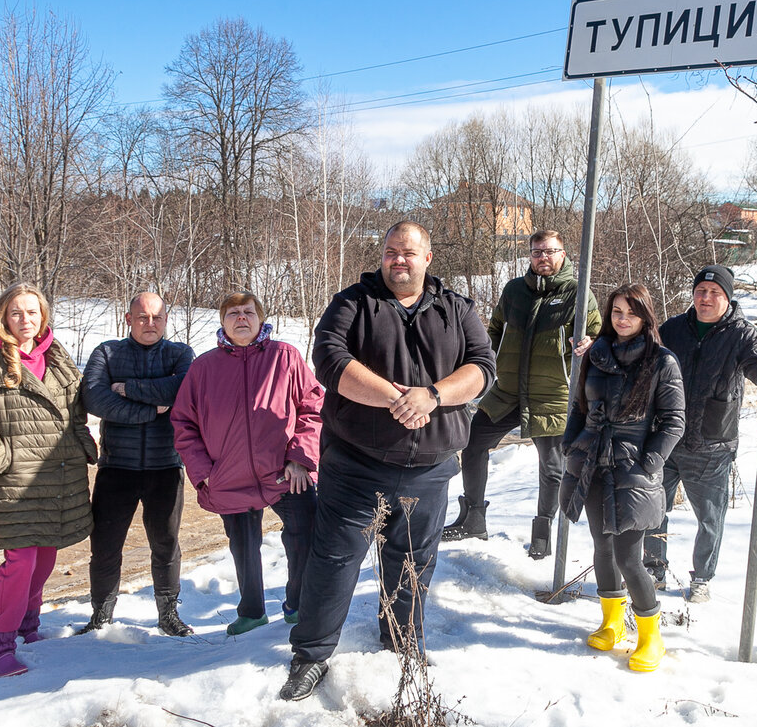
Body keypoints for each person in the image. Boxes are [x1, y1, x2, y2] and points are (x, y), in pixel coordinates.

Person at [279, 221, 496, 702]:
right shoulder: (353, 303)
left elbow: (483, 367)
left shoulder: (457, 308)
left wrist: (433, 396)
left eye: (409, 252)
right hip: (358, 464)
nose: (399, 259)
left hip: (431, 467)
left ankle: (402, 642)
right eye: (391, 251)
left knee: (413, 563)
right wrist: (395, 398)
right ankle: (311, 655)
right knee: (336, 561)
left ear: (428, 258)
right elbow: (330, 361)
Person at [0, 282, 96, 677]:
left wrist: (82, 441)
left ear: (42, 316)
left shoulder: (59, 356)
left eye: (32, 312)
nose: (25, 320)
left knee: (45, 557)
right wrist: (1, 460)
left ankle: (27, 627)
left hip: (59, 475)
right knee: (20, 561)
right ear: (3, 316)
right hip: (15, 481)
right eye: (17, 312)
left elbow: (76, 408)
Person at [172, 291, 324, 637]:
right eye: (233, 313)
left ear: (261, 318)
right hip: (229, 475)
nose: (242, 318)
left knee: (305, 533)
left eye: (249, 312)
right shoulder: (203, 368)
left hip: (286, 471)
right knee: (243, 544)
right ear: (223, 321)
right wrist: (203, 473)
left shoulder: (284, 357)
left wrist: (300, 458)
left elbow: (313, 408)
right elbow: (183, 424)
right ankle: (252, 611)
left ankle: (298, 603)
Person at [443, 229, 600, 559]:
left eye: (549, 251)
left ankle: (542, 532)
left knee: (552, 466)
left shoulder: (578, 293)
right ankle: (473, 518)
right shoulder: (515, 290)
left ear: (563, 253)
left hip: (551, 395)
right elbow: (495, 328)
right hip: (508, 391)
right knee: (473, 444)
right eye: (536, 252)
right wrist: (485, 357)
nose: (542, 258)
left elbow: (598, 332)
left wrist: (591, 343)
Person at [643, 264, 757, 603]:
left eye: (714, 293)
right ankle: (653, 569)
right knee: (652, 510)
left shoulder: (742, 334)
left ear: (727, 297)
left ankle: (702, 578)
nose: (706, 298)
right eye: (701, 292)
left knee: (709, 517)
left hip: (712, 444)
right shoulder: (674, 328)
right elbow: (643, 360)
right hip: (665, 437)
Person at [561, 283, 684, 672]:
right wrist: (571, 442)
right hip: (592, 460)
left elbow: (674, 421)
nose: (622, 319)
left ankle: (651, 637)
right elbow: (580, 406)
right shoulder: (596, 355)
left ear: (645, 316)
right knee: (601, 545)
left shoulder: (661, 361)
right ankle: (612, 623)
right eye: (616, 311)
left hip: (633, 468)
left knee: (630, 557)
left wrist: (650, 463)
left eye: (630, 312)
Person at [78, 292, 195, 636]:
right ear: (128, 319)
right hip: (117, 467)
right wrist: (148, 409)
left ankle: (168, 614)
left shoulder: (180, 354)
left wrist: (128, 388)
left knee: (166, 543)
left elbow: (181, 390)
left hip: (165, 465)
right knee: (105, 545)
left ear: (166, 320)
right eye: (142, 317)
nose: (150, 324)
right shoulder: (107, 353)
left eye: (157, 317)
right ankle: (100, 615)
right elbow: (95, 398)